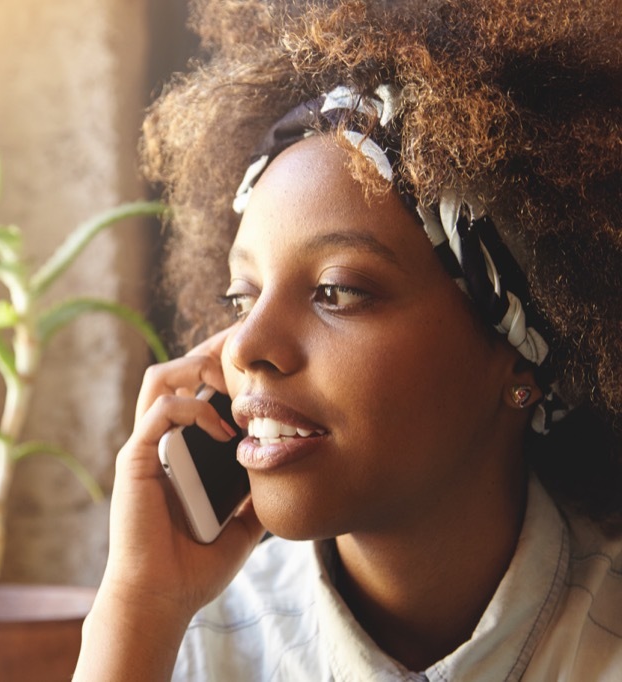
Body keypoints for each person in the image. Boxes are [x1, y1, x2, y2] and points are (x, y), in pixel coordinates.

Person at [73, 0, 622, 679]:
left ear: (520, 355)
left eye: (335, 291)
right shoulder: (182, 640)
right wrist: (139, 608)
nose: (245, 347)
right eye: (240, 298)